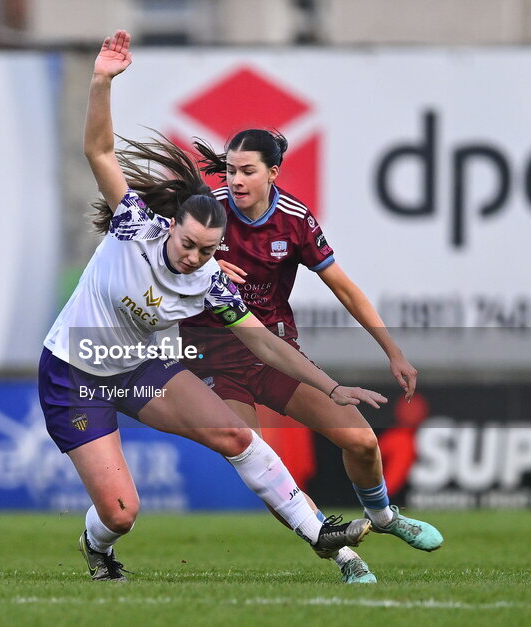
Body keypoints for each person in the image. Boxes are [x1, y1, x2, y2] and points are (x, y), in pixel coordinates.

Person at [40, 29, 388, 583]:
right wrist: (102, 80)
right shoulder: (134, 226)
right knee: (120, 513)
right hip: (75, 370)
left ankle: (321, 534)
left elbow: (264, 342)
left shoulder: (209, 280)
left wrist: (329, 386)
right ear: (171, 227)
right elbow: (98, 150)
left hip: (141, 370)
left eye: (208, 251)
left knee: (236, 436)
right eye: (187, 245)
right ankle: (96, 547)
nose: (194, 258)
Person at [177, 129, 444, 582]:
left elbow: (344, 288)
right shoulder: (207, 213)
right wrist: (201, 261)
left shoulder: (295, 219)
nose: (235, 180)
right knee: (260, 461)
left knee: (361, 441)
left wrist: (393, 352)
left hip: (275, 353)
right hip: (213, 359)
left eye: (247, 171)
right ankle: (343, 555)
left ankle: (382, 517)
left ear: (273, 173)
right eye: (230, 170)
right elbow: (159, 256)